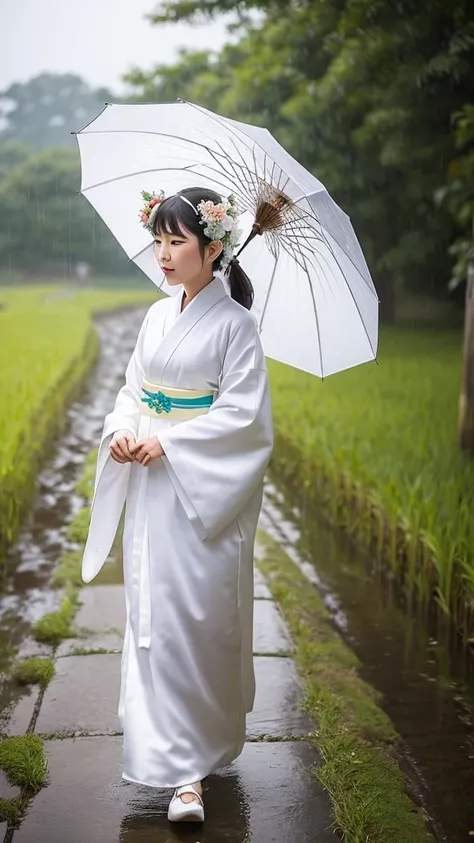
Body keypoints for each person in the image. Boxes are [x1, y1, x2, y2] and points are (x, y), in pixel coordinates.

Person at [81, 186, 274, 823]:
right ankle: (175, 765)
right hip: (152, 490)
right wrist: (126, 432)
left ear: (212, 249)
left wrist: (171, 442)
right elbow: (134, 389)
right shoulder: (157, 317)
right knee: (153, 621)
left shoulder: (238, 327)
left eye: (176, 242)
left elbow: (244, 421)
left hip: (200, 498)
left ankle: (189, 772)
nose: (162, 254)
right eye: (158, 240)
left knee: (197, 622)